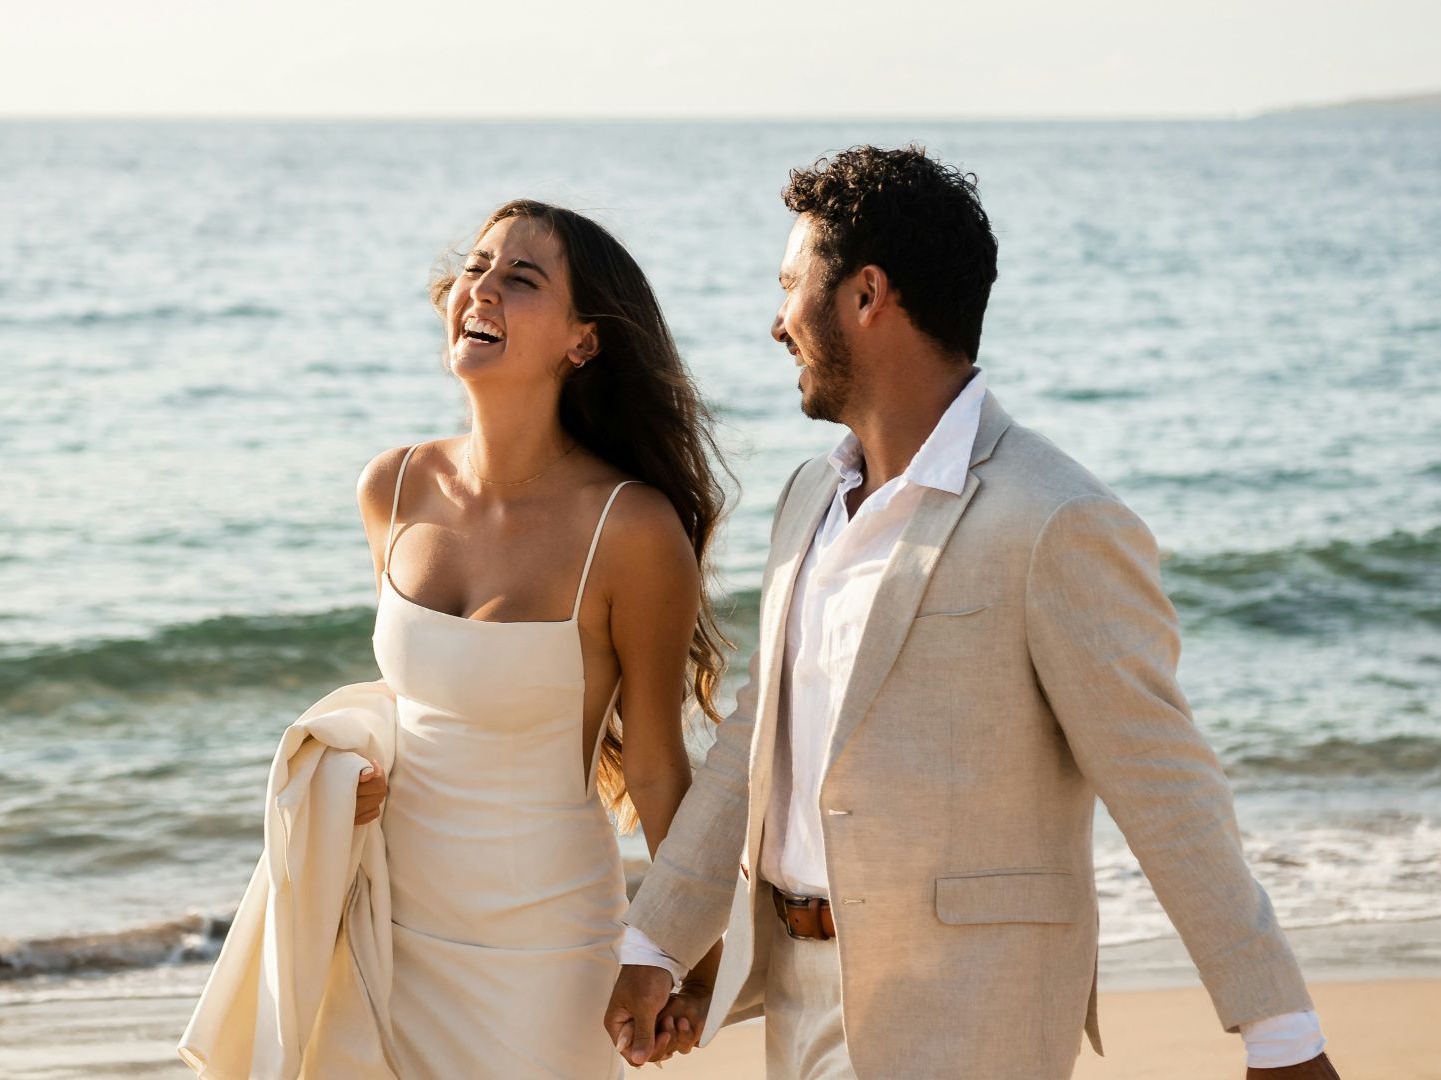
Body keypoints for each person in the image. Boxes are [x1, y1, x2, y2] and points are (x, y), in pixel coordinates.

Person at [605, 146, 1342, 1079]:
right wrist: (656, 941)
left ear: (866, 295)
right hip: (796, 1001)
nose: (776, 321)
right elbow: (760, 745)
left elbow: (1167, 788)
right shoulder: (806, 498)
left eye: (792, 286)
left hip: (971, 1013)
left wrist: (1279, 1032)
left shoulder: (1055, 520)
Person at [349, 199, 731, 1077]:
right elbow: (409, 703)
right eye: (477, 268)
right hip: (389, 930)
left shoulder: (631, 531)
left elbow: (658, 769)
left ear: (583, 342)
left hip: (543, 953)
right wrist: (347, 779)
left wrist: (692, 962)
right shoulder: (393, 487)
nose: (480, 289)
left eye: (520, 279)